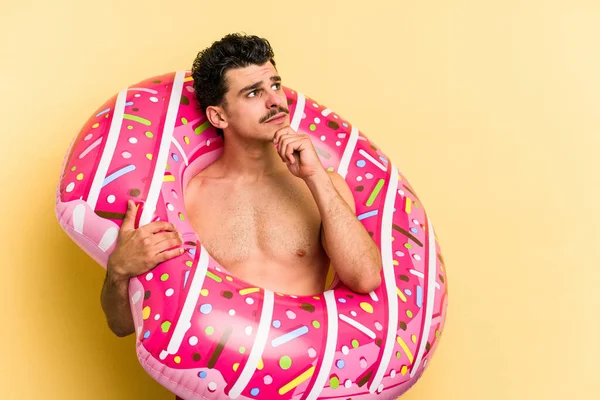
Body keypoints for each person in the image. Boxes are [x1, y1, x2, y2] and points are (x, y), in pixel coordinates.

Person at [100, 33, 383, 398]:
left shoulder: (323, 187)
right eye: (253, 93)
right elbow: (123, 325)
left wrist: (315, 178)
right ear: (219, 116)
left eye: (275, 85)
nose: (275, 101)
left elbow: (365, 277)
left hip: (300, 385)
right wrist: (119, 271)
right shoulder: (187, 200)